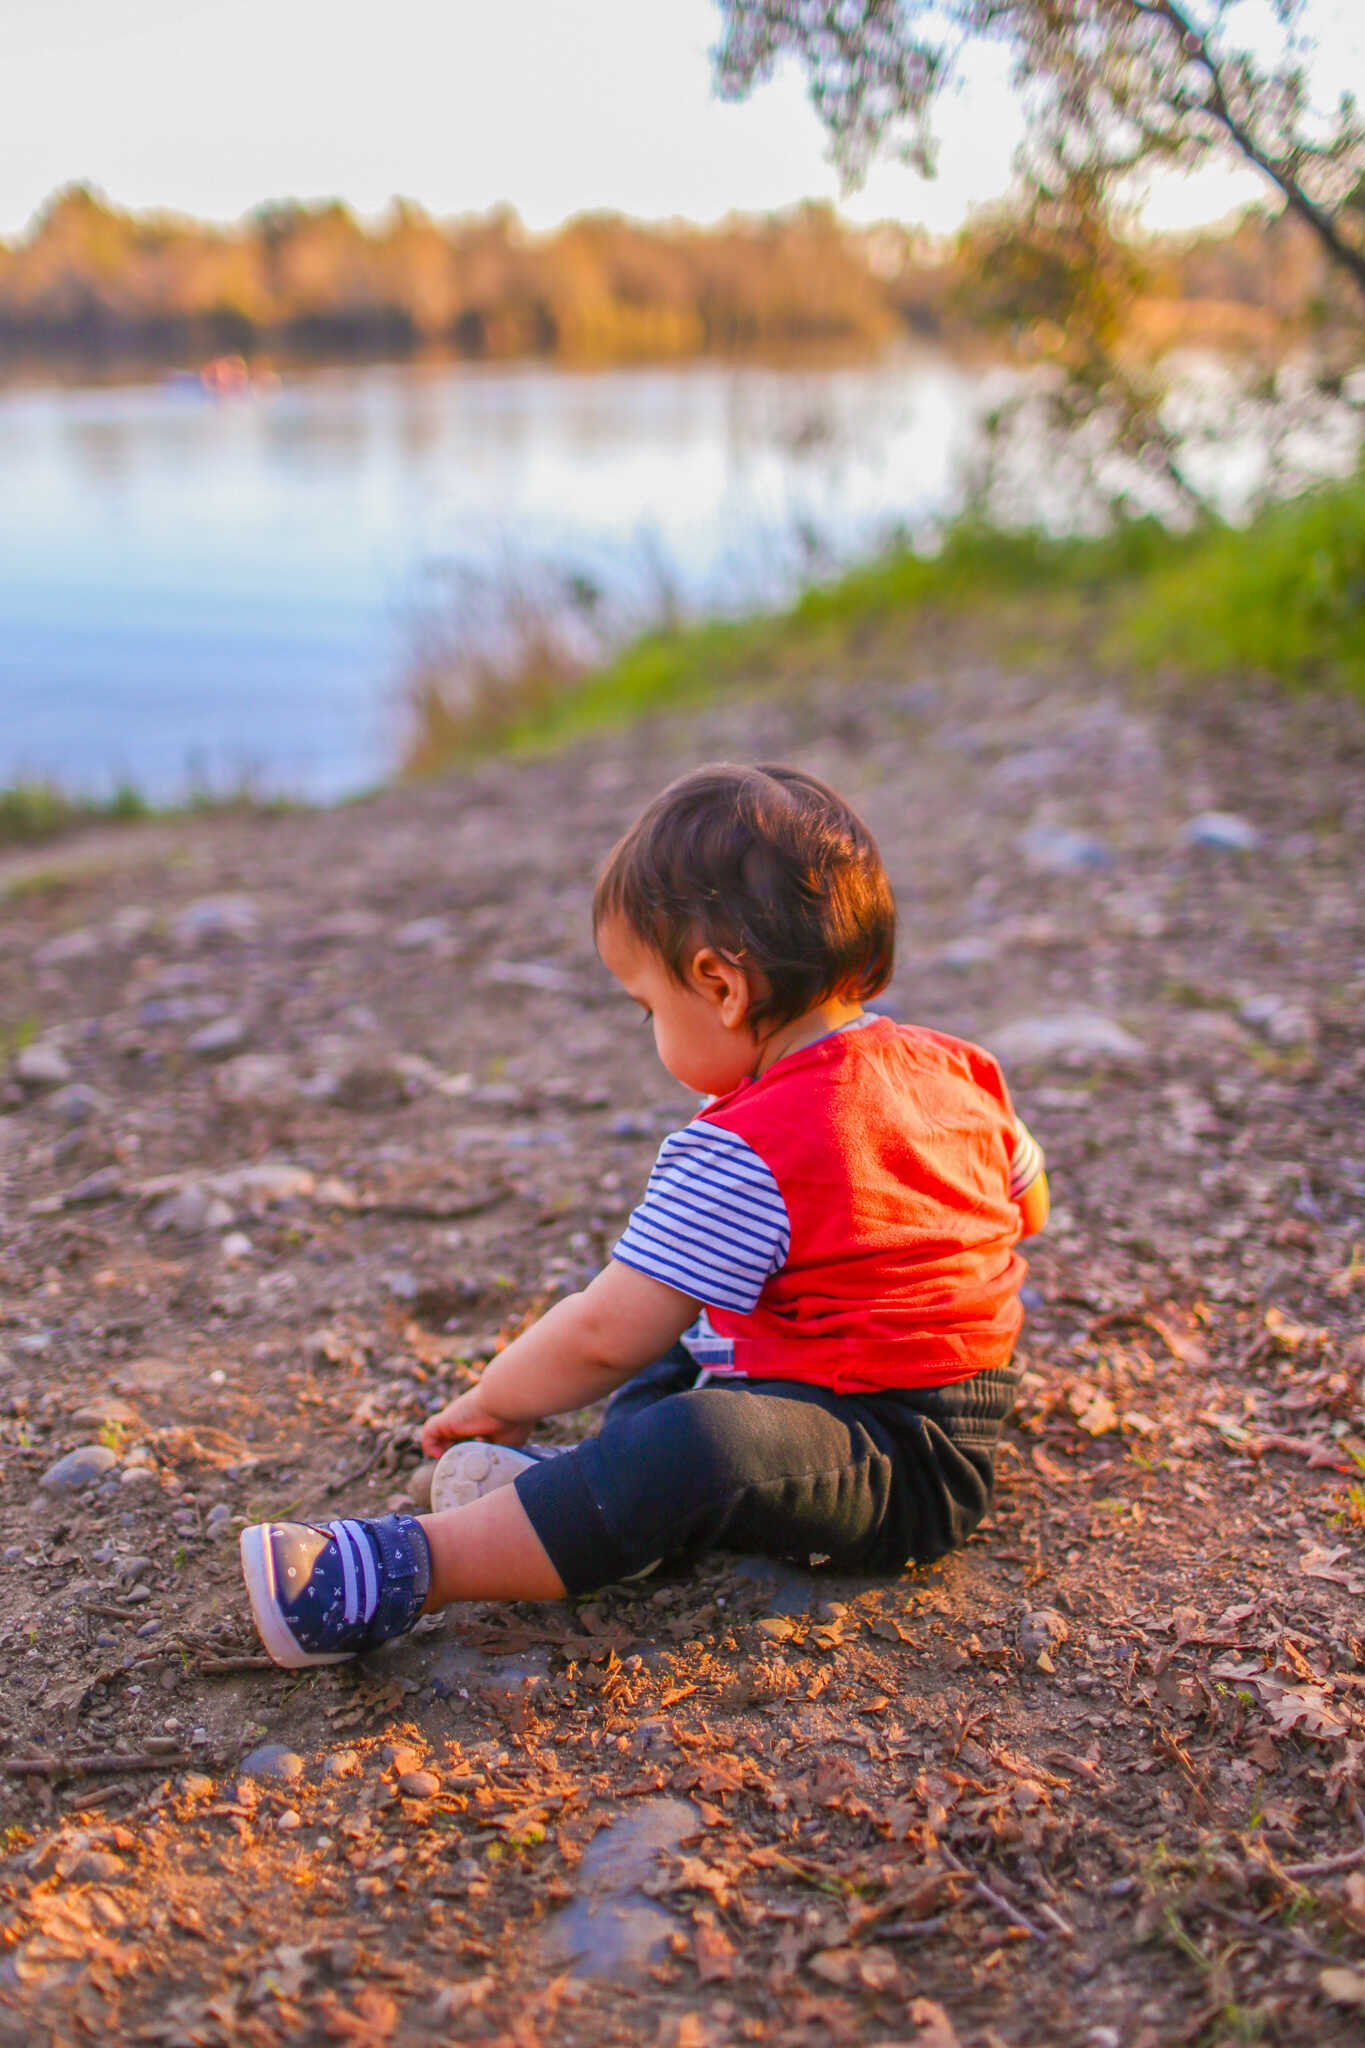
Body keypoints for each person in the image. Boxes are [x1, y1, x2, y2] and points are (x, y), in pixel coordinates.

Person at [239, 764, 1048, 1668]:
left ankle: (404, 1568)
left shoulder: (757, 1140)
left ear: (719, 986)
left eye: (646, 1007)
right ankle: (581, 1503)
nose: (648, 1028)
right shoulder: (954, 1066)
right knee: (693, 1313)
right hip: (945, 1409)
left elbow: (601, 1337)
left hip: (888, 1469)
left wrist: (493, 1400)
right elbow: (1027, 1204)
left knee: (695, 1440)